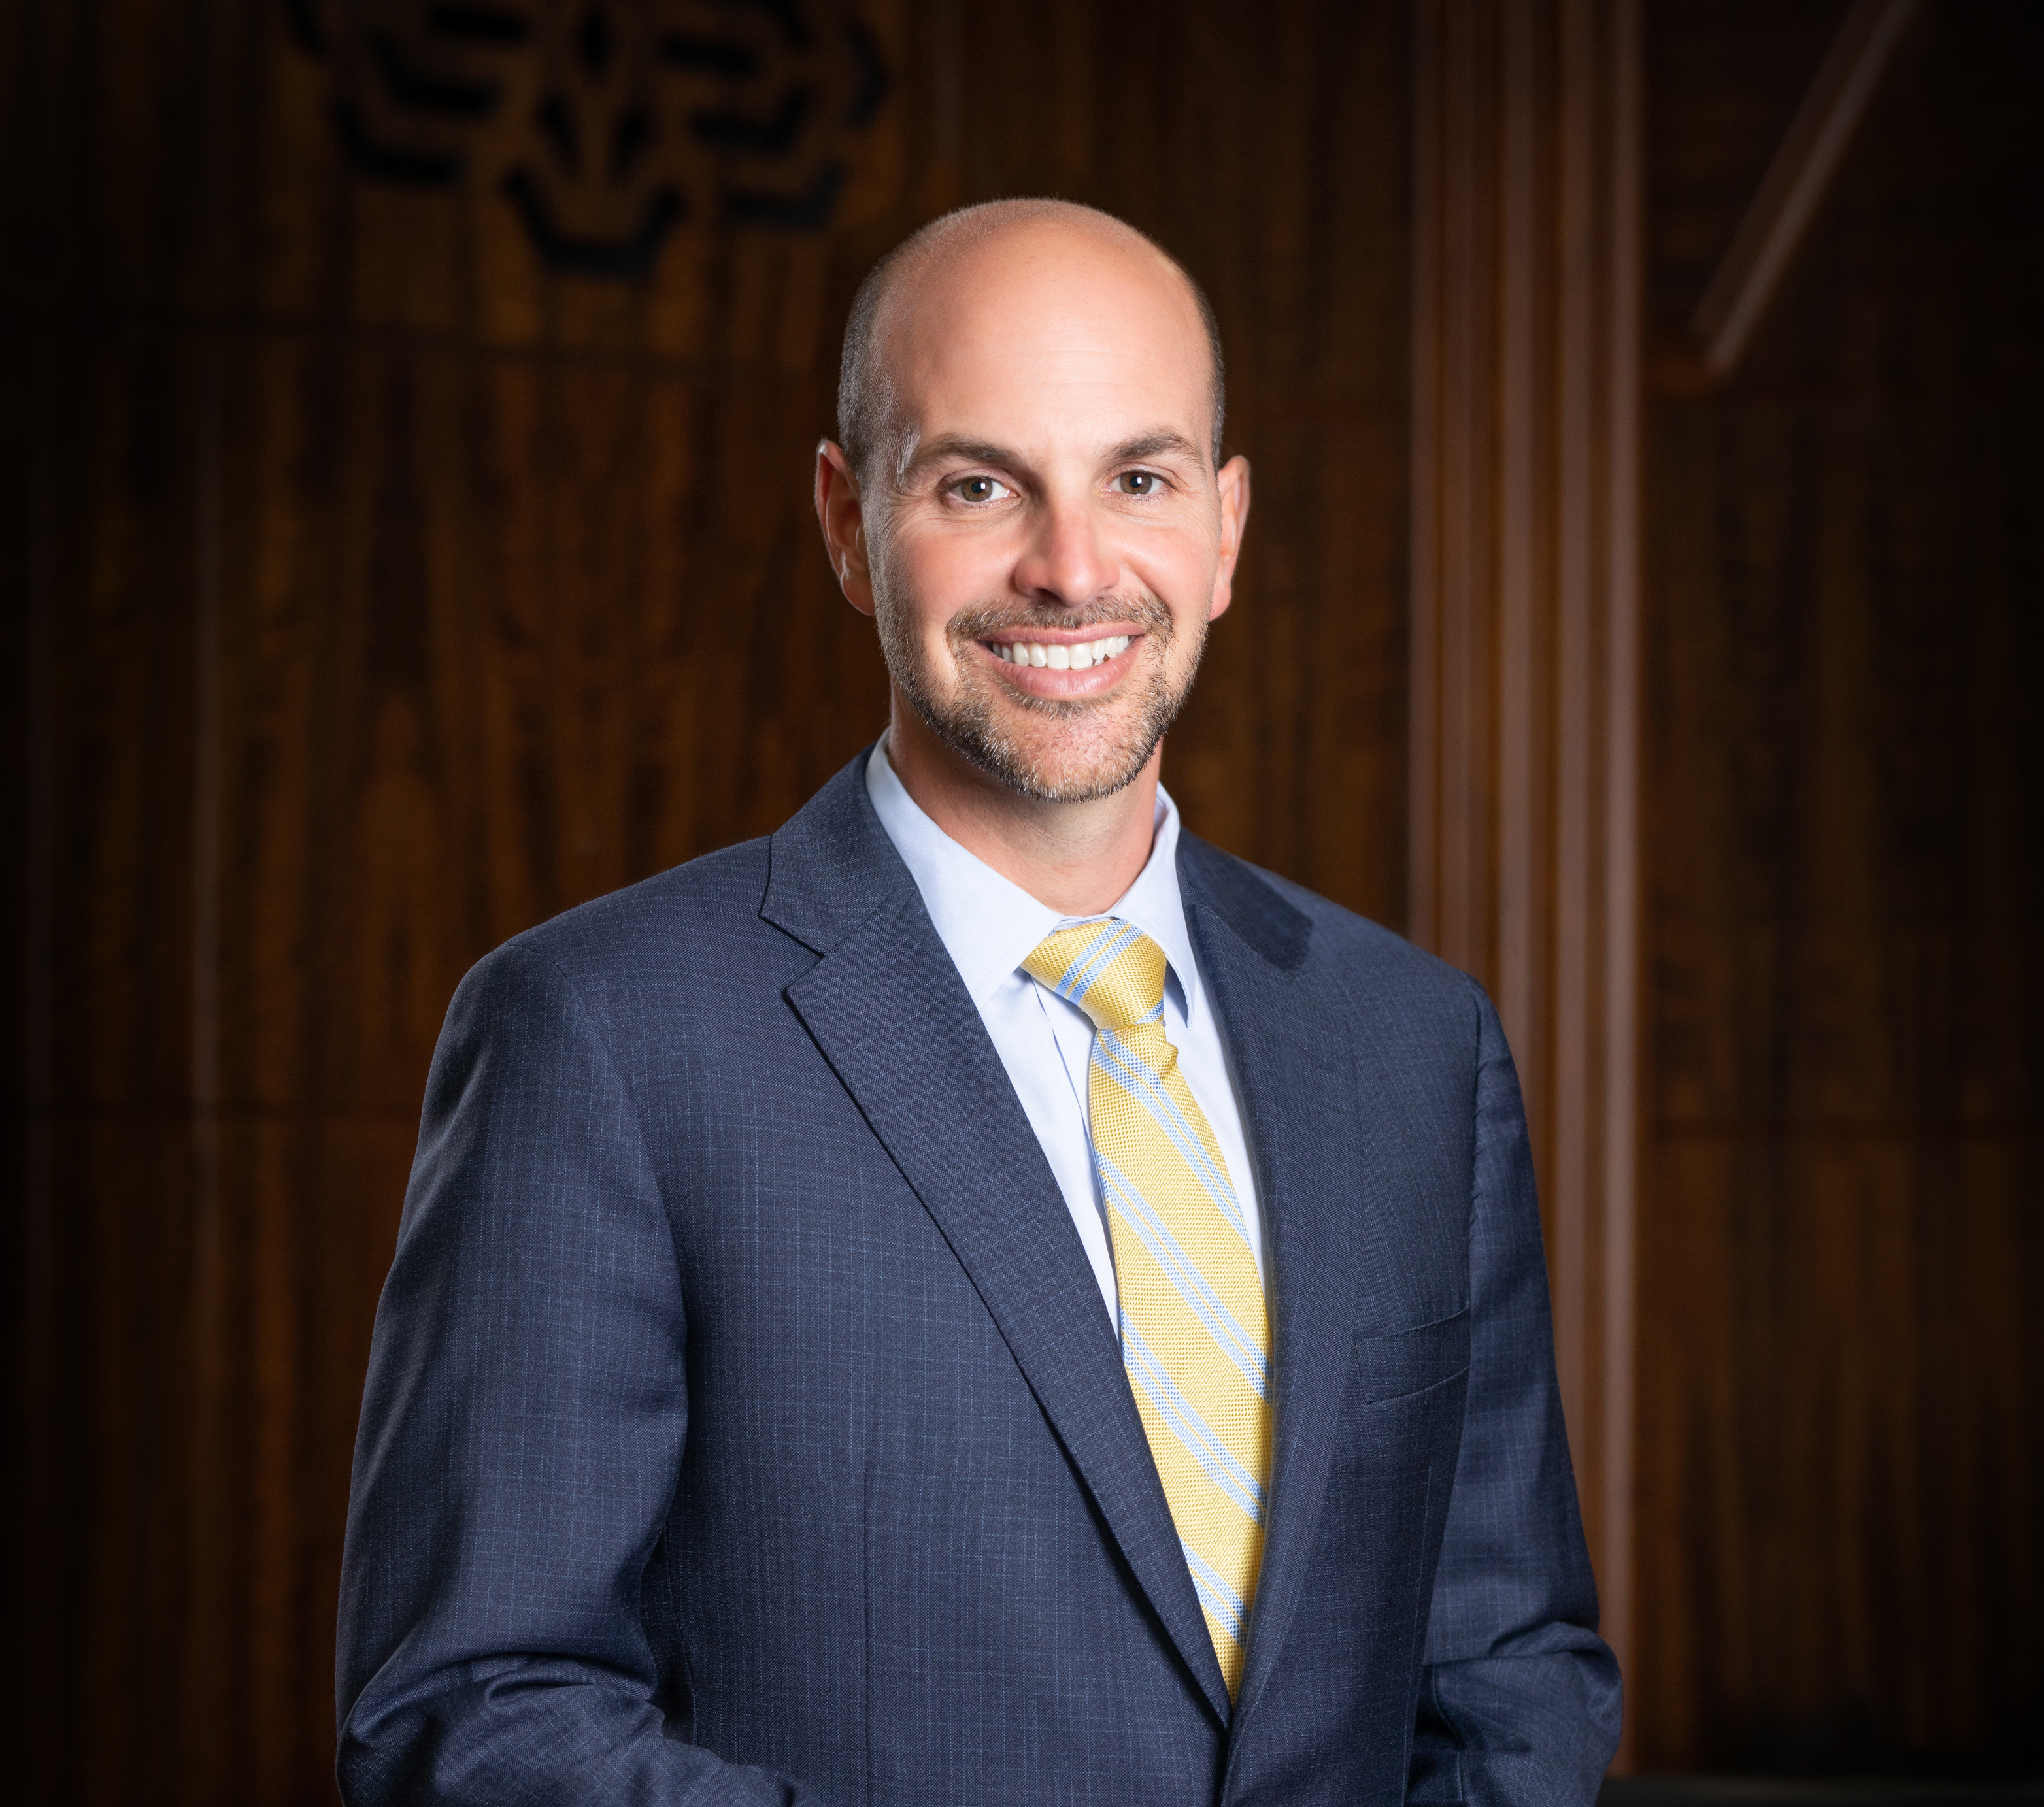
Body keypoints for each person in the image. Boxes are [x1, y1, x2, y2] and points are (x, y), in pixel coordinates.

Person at [335, 199, 1621, 1807]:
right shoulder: (598, 1038)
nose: (1071, 568)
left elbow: (1509, 1672)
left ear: (1224, 532)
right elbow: (475, 1711)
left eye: (1137, 480)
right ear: (844, 519)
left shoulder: (1415, 1044)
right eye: (978, 484)